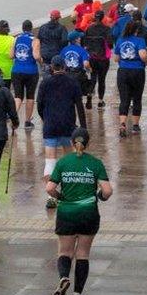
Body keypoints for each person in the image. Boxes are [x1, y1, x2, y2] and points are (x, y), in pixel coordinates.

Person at [46, 128, 112, 295]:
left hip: (66, 212)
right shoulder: (95, 163)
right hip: (88, 213)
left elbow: (49, 188)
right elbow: (107, 191)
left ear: (72, 142)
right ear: (88, 143)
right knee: (83, 254)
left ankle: (64, 277)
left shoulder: (63, 162)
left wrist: (60, 197)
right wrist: (100, 196)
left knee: (64, 252)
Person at [36, 55, 87, 209]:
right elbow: (79, 105)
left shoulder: (45, 82)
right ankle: (68, 191)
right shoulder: (72, 82)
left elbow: (40, 104)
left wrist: (45, 118)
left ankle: (52, 196)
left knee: (50, 161)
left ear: (52, 67)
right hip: (68, 125)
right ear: (65, 67)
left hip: (50, 125)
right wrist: (83, 127)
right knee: (69, 159)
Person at [113, 21, 147, 137]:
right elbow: (143, 55)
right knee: (137, 98)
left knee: (124, 99)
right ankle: (135, 126)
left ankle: (123, 123)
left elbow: (116, 58)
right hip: (137, 71)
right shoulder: (139, 40)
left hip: (123, 71)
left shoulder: (120, 40)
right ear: (136, 30)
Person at [10, 20, 40, 129]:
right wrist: (41, 60)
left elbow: (11, 55)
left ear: (22, 28)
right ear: (31, 28)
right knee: (30, 96)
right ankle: (27, 122)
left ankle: (12, 116)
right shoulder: (35, 40)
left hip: (17, 70)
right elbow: (36, 56)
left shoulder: (16, 39)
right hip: (31, 71)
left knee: (18, 96)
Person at [82, 10, 113, 109]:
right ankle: (100, 101)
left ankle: (89, 95)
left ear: (95, 17)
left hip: (92, 58)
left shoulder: (89, 28)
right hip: (103, 58)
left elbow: (84, 42)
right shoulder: (107, 29)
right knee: (102, 80)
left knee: (93, 77)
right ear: (103, 17)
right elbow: (110, 44)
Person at [61, 30, 92, 107]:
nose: (80, 38)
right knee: (82, 93)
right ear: (76, 40)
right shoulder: (82, 50)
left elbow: (61, 62)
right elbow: (86, 64)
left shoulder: (64, 49)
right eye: (79, 37)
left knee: (68, 95)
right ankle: (87, 98)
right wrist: (89, 69)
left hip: (67, 75)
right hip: (78, 75)